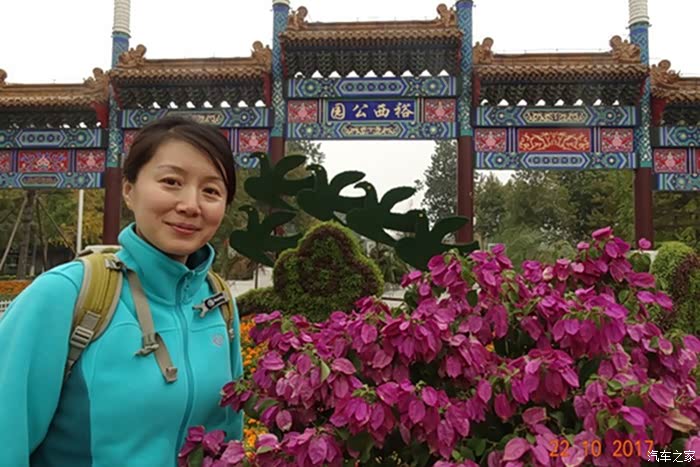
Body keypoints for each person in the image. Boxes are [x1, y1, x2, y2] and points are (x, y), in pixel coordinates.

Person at [0, 116, 243, 466]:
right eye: (171, 182)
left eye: (211, 191)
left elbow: (229, 439)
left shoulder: (217, 301)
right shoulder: (65, 294)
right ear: (129, 189)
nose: (191, 205)